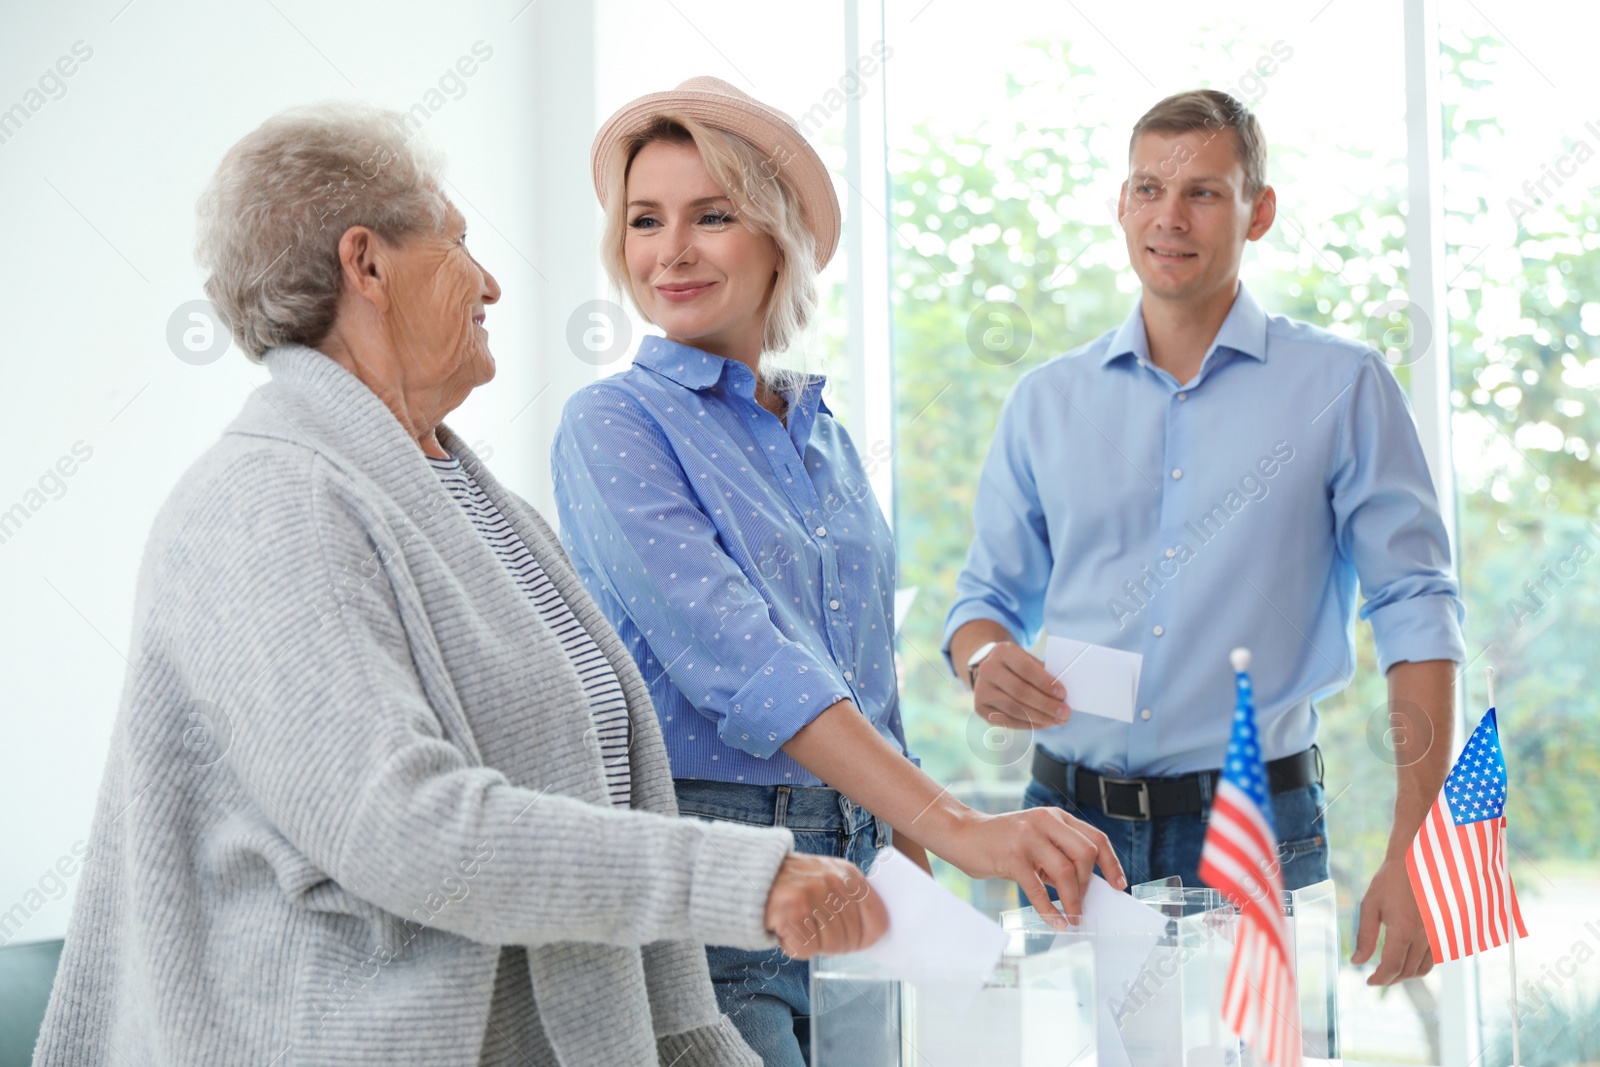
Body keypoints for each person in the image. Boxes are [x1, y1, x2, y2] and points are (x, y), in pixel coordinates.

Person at [32, 102, 886, 1067]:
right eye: (458, 243)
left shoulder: (475, 505)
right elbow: (401, 827)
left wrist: (699, 1045)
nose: (489, 283)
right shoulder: (264, 500)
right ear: (367, 264)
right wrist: (746, 877)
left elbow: (606, 835)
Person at [553, 77, 1124, 1066]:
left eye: (712, 215)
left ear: (780, 238)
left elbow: (865, 679)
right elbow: (745, 663)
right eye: (645, 221)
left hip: (865, 862)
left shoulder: (822, 437)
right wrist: (959, 827)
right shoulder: (613, 422)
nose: (670, 250)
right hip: (722, 871)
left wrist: (916, 875)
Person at [944, 88, 1466, 988]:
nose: (1169, 218)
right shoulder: (1046, 400)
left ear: (1258, 211)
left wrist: (1420, 846)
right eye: (1149, 189)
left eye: (1204, 193)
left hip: (1252, 825)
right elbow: (982, 603)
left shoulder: (1343, 386)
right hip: (1063, 828)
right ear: (1121, 205)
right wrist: (984, 657)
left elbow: (1417, 607)